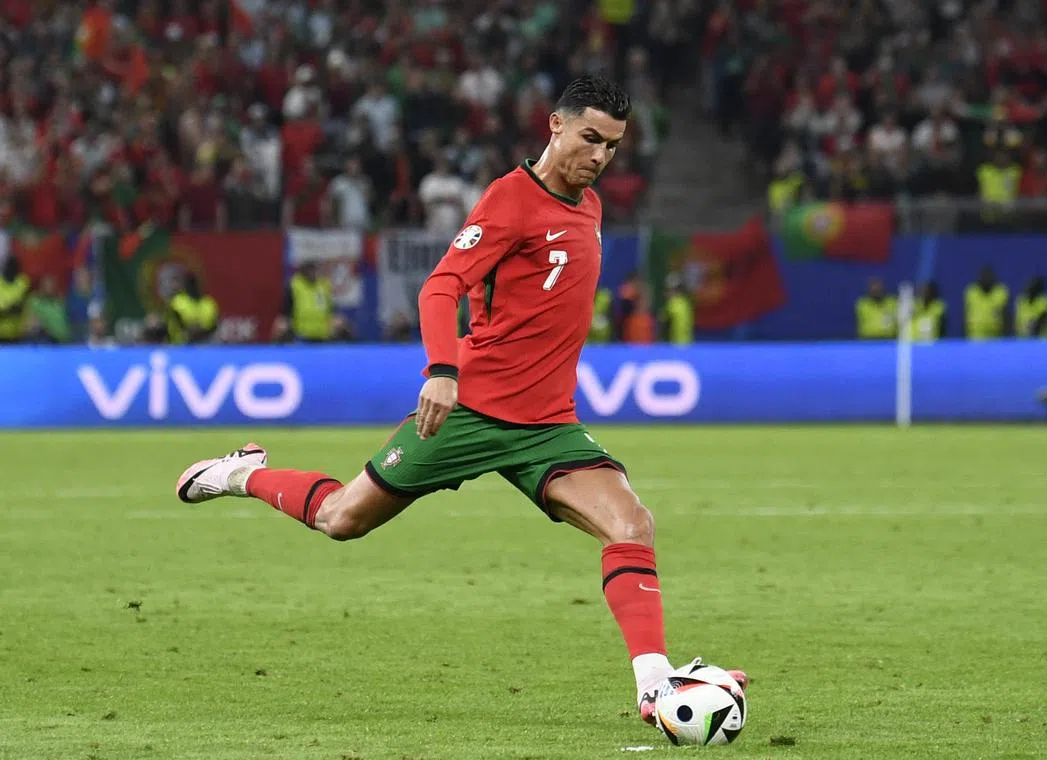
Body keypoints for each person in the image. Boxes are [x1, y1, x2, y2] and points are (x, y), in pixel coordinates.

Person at [174, 75, 747, 728]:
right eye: (590, 138)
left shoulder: (588, 206)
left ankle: (655, 687)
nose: (600, 157)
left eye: (613, 147)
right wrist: (442, 371)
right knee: (341, 518)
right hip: (469, 411)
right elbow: (440, 288)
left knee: (632, 526)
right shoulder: (510, 201)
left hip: (548, 426)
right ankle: (242, 472)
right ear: (554, 125)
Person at [272, 261, 350, 343]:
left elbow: (331, 308)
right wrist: (284, 323)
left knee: (344, 329)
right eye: (311, 271)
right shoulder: (295, 286)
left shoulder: (324, 286)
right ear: (303, 272)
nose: (314, 274)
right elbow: (286, 311)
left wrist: (335, 318)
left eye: (316, 271)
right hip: (300, 334)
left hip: (323, 334)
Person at [167, 273, 219, 344]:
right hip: (181, 345)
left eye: (194, 284)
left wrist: (201, 331)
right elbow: (177, 323)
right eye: (190, 284)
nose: (193, 287)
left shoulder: (209, 304)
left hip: (205, 343)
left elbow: (214, 326)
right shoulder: (178, 302)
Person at [964, 266, 1009, 340]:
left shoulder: (1000, 292)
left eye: (988, 277)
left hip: (996, 336)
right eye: (983, 277)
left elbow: (1006, 316)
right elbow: (966, 314)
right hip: (975, 336)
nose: (986, 279)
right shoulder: (971, 292)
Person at [0, 256, 30, 344]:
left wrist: (8, 310)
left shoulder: (23, 282)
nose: (10, 269)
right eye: (8, 266)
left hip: (17, 334)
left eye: (13, 266)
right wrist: (8, 310)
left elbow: (21, 307)